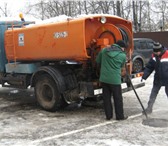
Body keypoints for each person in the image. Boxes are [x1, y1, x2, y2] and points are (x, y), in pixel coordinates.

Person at [96, 40, 128, 120]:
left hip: (104, 79)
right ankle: (120, 116)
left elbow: (97, 61)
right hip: (115, 80)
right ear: (121, 47)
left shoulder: (104, 51)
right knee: (118, 99)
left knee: (106, 98)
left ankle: (108, 116)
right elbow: (122, 66)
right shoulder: (122, 55)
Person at [141, 42, 168, 114]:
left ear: (161, 50)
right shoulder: (154, 56)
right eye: (155, 52)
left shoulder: (167, 54)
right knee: (153, 93)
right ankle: (149, 108)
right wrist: (144, 77)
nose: (156, 54)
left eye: (157, 52)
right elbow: (149, 67)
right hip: (158, 78)